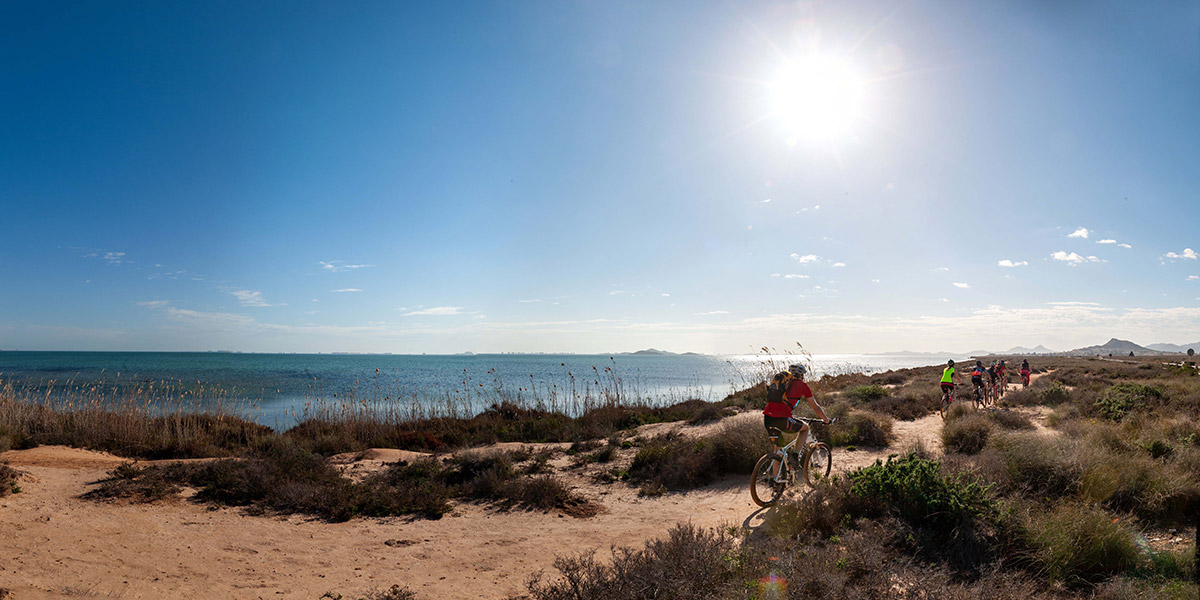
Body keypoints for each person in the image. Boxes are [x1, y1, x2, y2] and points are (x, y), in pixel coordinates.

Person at [762, 364, 831, 468]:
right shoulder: (802, 386)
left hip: (768, 418)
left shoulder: (783, 384)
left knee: (778, 451)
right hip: (782, 419)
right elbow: (816, 407)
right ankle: (795, 457)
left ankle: (777, 481)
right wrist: (826, 419)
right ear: (801, 375)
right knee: (805, 428)